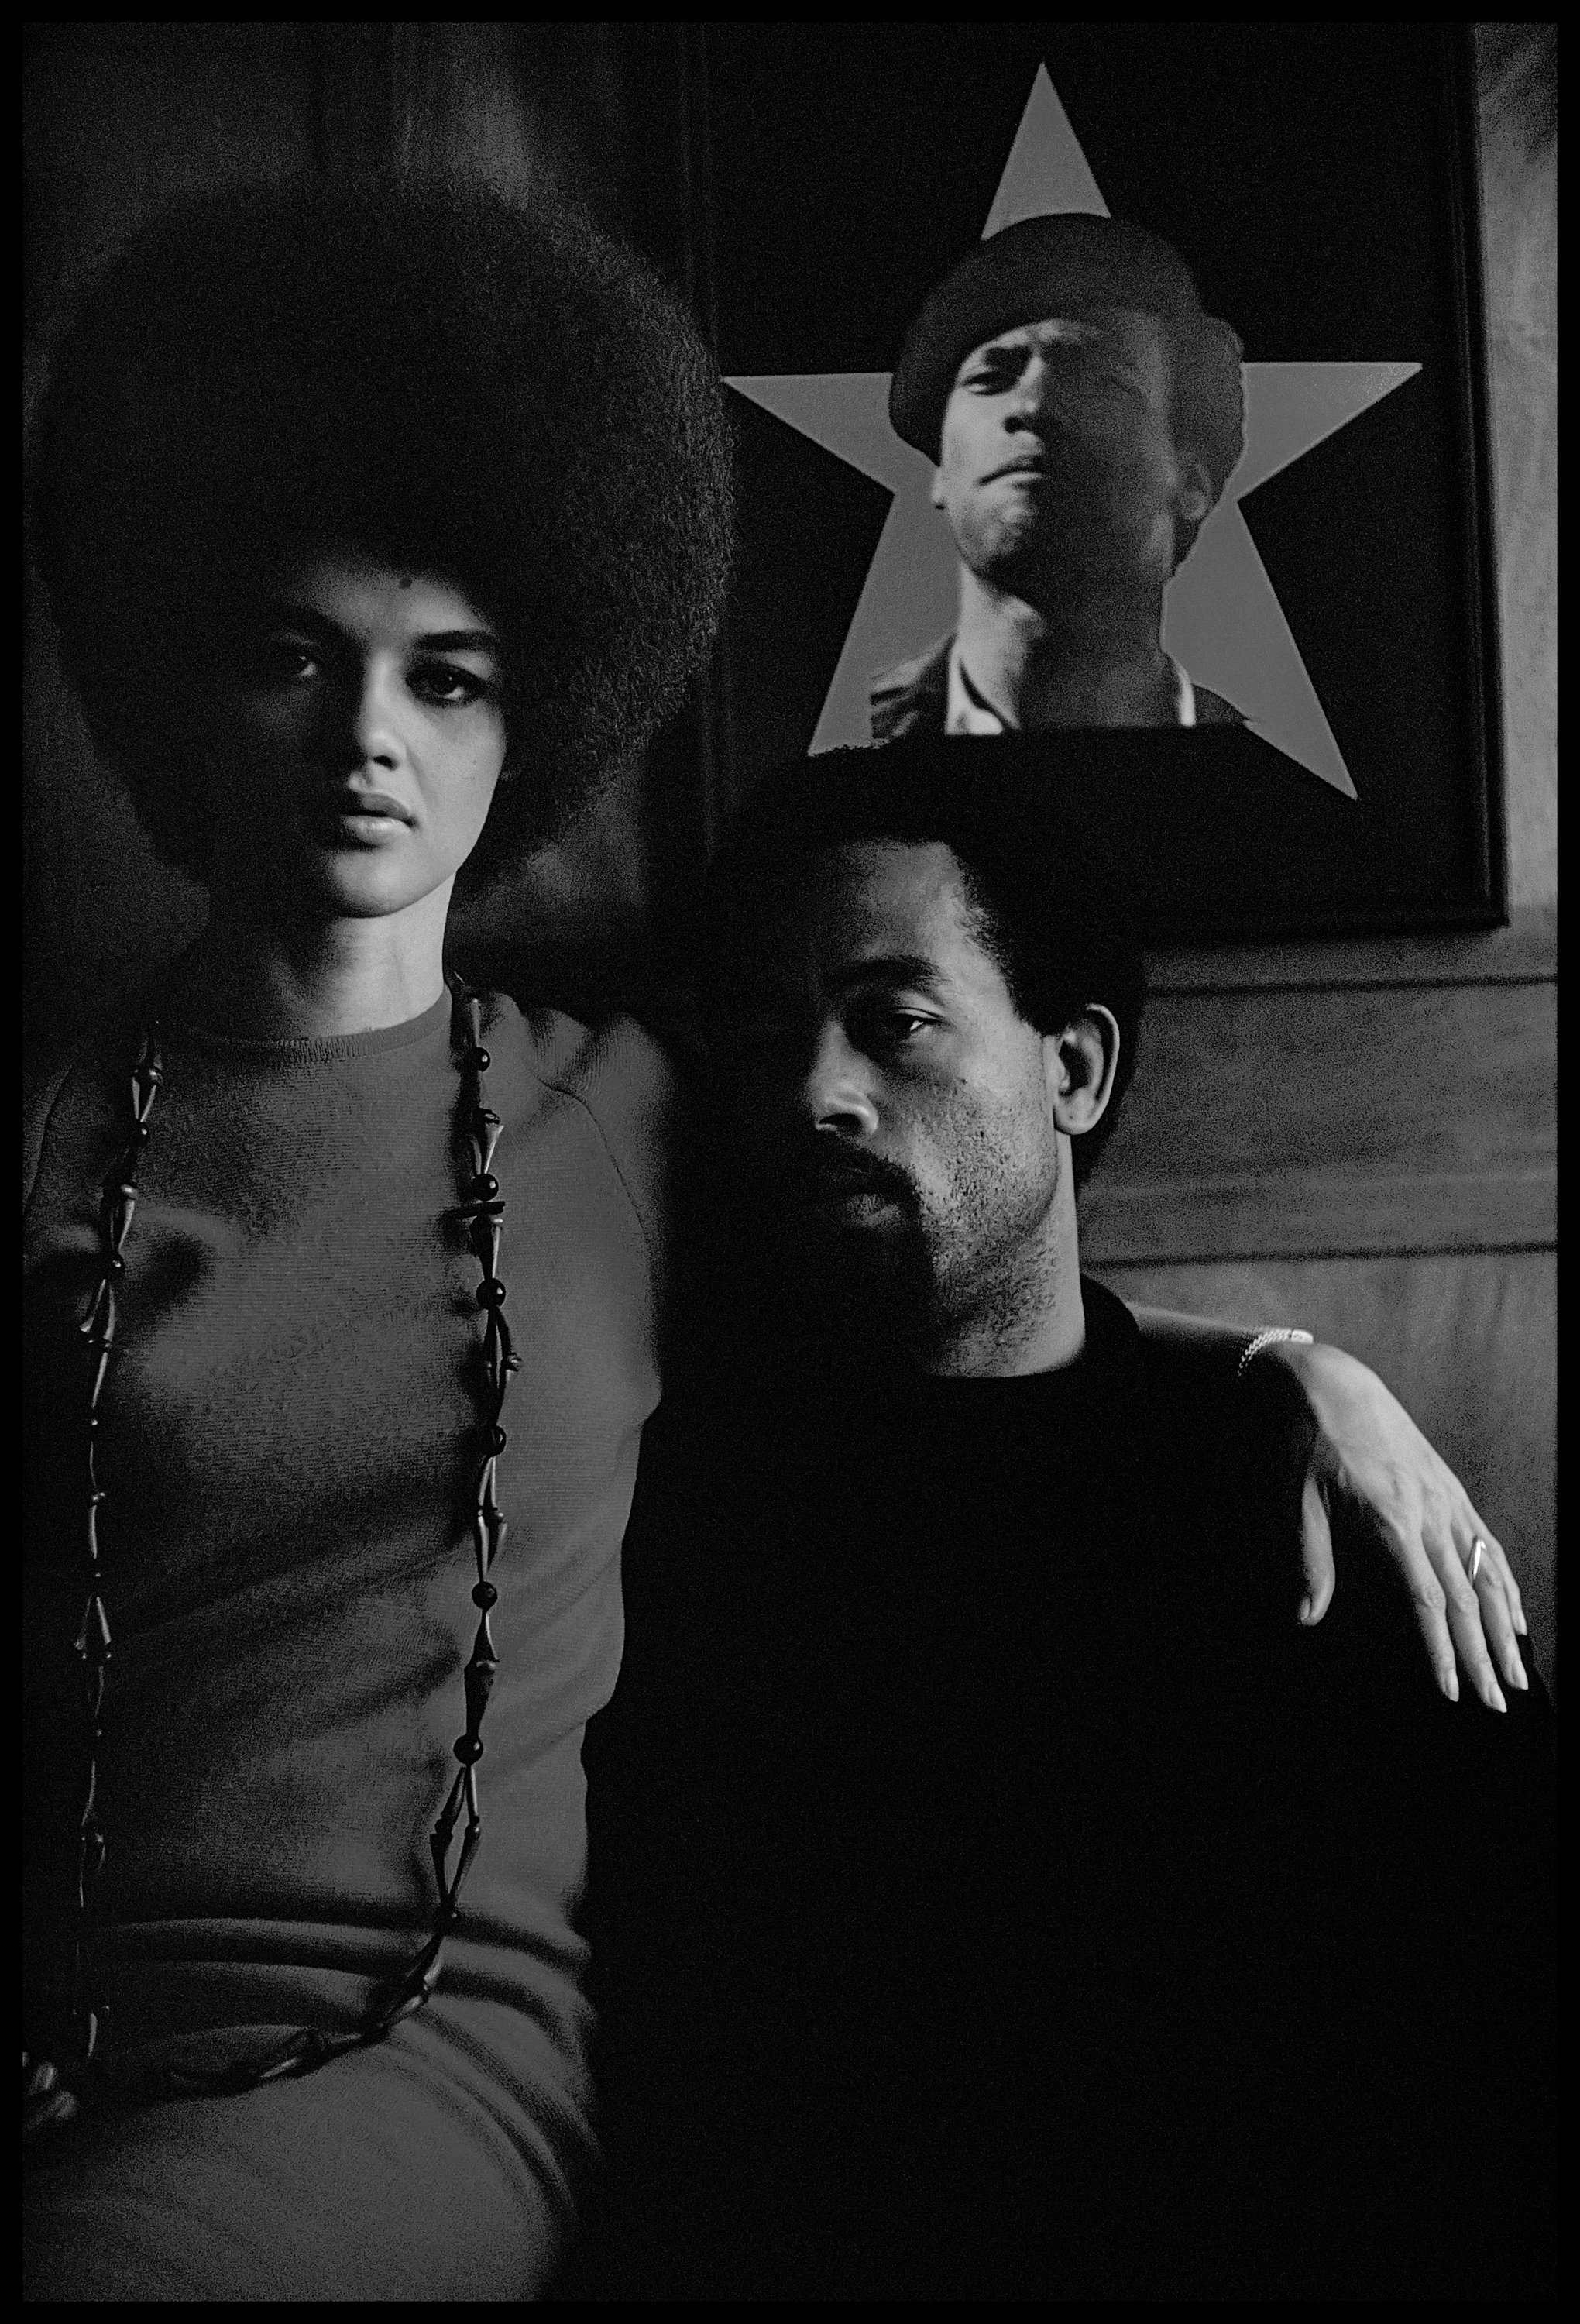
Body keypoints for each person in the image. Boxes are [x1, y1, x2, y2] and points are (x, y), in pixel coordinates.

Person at [23, 181, 1527, 2301]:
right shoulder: (109, 1131)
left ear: (526, 713)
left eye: (447, 677)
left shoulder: (606, 1116)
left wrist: (1291, 1367)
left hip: (401, 2081)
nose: (369, 734)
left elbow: (975, 1275)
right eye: (295, 655)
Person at [580, 741, 1554, 2300]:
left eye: (895, 1024)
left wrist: (1290, 1369)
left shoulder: (1308, 1503)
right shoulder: (651, 1512)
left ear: (1075, 1070)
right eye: (760, 1037)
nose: (814, 1091)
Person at [871, 211, 1249, 739]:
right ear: (939, 470)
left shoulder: (1266, 785)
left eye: (1101, 380)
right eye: (991, 377)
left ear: (1192, 481)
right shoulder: (839, 779)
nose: (1032, 404)